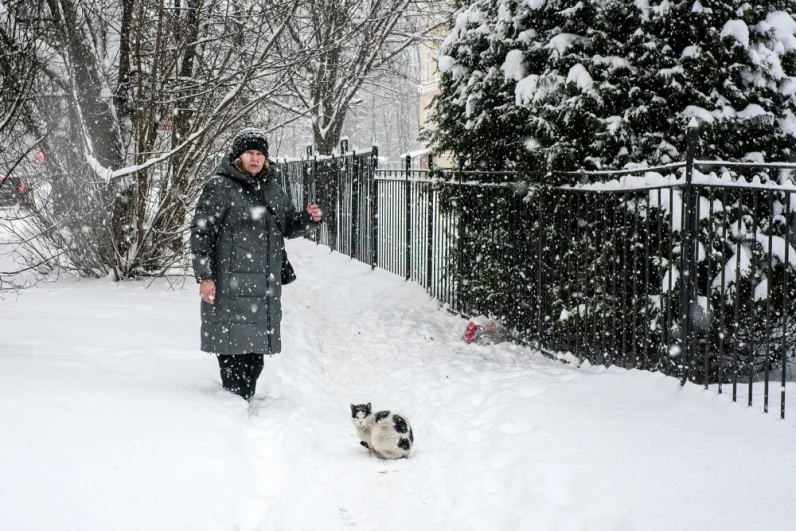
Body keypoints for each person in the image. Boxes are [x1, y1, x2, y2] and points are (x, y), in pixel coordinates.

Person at [190, 128, 322, 399]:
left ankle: (243, 402)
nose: (255, 159)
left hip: (262, 286)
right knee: (233, 353)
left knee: (254, 357)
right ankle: (234, 405)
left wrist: (308, 219)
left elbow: (287, 225)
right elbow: (201, 233)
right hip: (230, 284)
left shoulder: (271, 187)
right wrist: (205, 276)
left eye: (260, 154)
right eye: (249, 153)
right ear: (238, 156)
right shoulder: (220, 186)